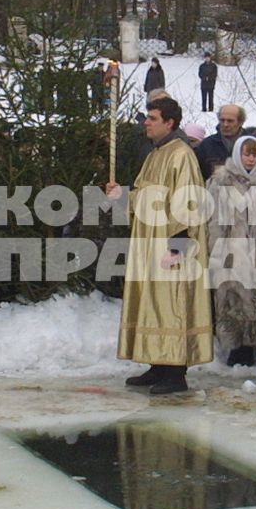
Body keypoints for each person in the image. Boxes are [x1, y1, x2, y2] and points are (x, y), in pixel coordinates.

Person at [107, 96, 211, 396]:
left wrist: (178, 245)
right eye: (146, 118)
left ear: (170, 122)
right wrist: (124, 196)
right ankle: (158, 362)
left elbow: (189, 201)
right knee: (153, 302)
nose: (146, 123)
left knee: (172, 304)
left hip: (172, 243)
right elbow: (147, 196)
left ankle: (176, 372)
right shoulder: (155, 154)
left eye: (152, 118)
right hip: (149, 243)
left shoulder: (182, 155)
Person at [207, 134, 256, 367]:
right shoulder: (220, 180)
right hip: (230, 250)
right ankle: (235, 346)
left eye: (255, 154)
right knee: (231, 298)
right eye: (246, 153)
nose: (251, 159)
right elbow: (213, 220)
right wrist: (215, 249)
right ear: (238, 154)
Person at [196, 103, 246, 179]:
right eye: (222, 120)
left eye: (230, 121)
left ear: (240, 122)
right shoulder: (206, 145)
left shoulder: (252, 143)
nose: (225, 124)